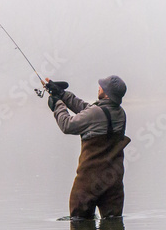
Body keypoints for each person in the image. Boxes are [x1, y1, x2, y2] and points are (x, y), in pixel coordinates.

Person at [46, 76, 130, 219]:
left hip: (88, 183)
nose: (99, 87)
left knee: (78, 223)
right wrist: (62, 95)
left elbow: (67, 125)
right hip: (113, 182)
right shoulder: (121, 113)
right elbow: (87, 109)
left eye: (102, 86)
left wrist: (57, 105)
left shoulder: (95, 113)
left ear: (107, 93)